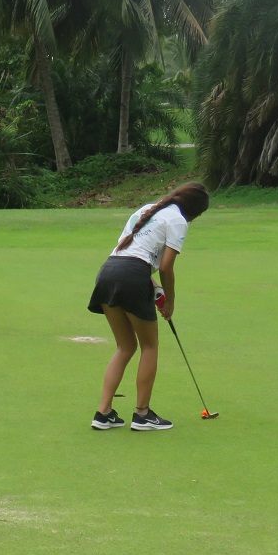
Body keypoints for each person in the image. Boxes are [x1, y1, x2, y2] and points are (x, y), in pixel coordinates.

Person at [87, 182, 210, 431]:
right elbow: (165, 267)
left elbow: (131, 254)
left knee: (125, 346)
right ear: (194, 211)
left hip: (108, 272)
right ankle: (142, 415)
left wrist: (155, 289)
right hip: (132, 275)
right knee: (149, 346)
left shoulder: (147, 209)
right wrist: (171, 302)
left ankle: (104, 413)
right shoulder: (178, 220)